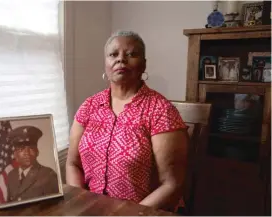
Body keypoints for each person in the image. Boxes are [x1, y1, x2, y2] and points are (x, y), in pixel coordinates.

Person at [66, 30, 189, 212]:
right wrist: (83, 202)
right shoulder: (89, 106)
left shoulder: (161, 111)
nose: (121, 59)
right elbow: (72, 164)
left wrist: (124, 213)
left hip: (141, 212)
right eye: (113, 54)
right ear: (105, 64)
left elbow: (171, 184)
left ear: (143, 65)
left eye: (132, 54)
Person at [6, 126, 59, 202]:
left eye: (31, 148)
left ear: (37, 152)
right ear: (15, 154)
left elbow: (55, 206)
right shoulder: (11, 175)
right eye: (21, 149)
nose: (27, 153)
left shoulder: (48, 175)